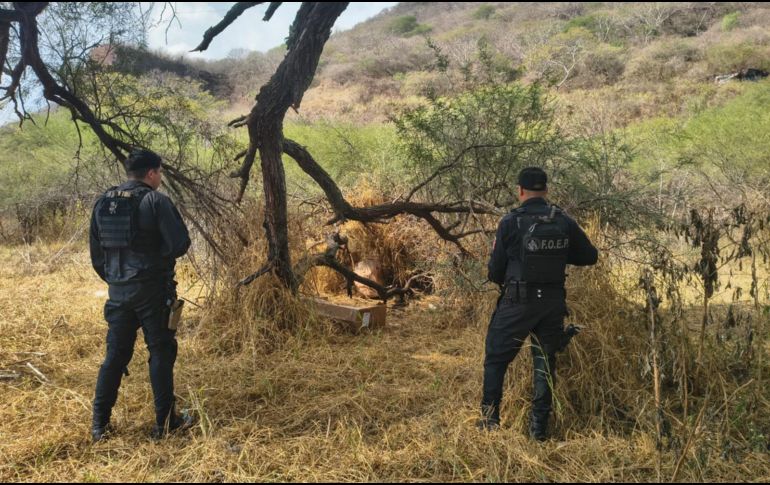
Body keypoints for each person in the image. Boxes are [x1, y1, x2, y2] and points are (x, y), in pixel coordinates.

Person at [479, 167, 598, 440]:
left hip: (517, 302)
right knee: (544, 363)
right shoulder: (563, 221)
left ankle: (489, 423)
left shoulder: (511, 221)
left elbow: (495, 272)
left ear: (520, 191)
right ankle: (538, 431)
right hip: (552, 304)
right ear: (545, 190)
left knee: (496, 360)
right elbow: (590, 256)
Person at [89, 148, 194, 442]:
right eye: (159, 172)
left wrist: (117, 280)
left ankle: (99, 426)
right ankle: (165, 423)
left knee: (115, 356)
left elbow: (97, 257)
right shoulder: (155, 200)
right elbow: (180, 244)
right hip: (152, 291)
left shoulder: (102, 203)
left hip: (118, 293)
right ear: (151, 173)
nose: (160, 177)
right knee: (161, 351)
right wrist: (154, 265)